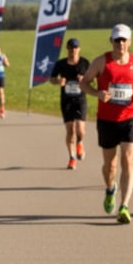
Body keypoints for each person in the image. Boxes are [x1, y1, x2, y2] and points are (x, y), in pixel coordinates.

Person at [83, 23, 133, 224]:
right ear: (111, 41)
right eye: (117, 39)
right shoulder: (101, 62)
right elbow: (85, 82)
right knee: (110, 165)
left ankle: (124, 206)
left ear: (129, 42)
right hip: (107, 120)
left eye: (124, 40)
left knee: (128, 158)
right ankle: (110, 188)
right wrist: (97, 93)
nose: (120, 43)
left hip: (131, 117)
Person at [50, 37, 90, 169]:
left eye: (76, 47)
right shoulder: (61, 64)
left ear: (79, 49)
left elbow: (93, 80)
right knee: (70, 130)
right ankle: (72, 157)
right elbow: (52, 79)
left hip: (80, 99)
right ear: (67, 49)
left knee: (80, 130)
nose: (73, 50)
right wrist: (58, 81)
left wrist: (84, 79)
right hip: (66, 100)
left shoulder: (84, 63)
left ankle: (80, 142)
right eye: (71, 47)